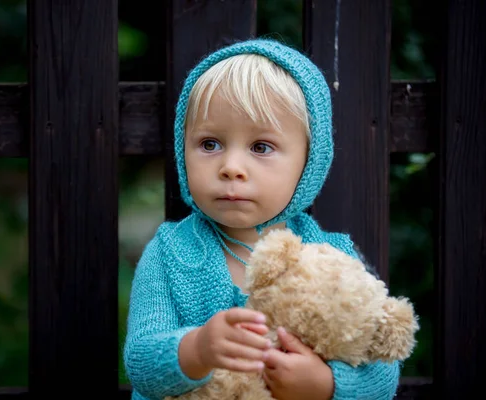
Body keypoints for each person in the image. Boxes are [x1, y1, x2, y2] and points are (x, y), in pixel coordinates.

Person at [123, 38, 402, 400]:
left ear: (309, 162)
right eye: (210, 144)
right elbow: (141, 362)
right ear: (183, 148)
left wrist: (327, 385)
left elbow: (383, 371)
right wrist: (197, 349)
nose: (231, 168)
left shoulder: (331, 256)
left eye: (261, 147)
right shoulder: (170, 253)